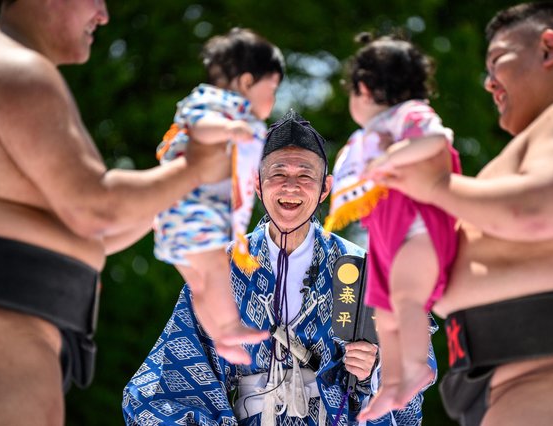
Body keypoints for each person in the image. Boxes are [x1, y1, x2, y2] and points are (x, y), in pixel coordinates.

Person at [0, 1, 231, 424]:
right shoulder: (16, 70)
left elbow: (87, 235)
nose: (103, 14)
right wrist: (197, 167)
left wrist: (169, 189)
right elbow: (95, 210)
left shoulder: (4, 67)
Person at [366, 3, 553, 426]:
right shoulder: (519, 157)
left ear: (548, 48)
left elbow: (536, 210)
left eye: (497, 60)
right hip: (512, 382)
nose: (488, 83)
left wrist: (437, 187)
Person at [123, 111, 423, 426]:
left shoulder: (364, 269)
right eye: (278, 173)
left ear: (325, 188)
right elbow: (172, 381)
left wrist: (376, 370)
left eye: (305, 175)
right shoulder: (221, 269)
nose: (291, 186)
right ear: (257, 183)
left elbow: (415, 370)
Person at [324, 33, 459, 421]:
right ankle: (393, 382)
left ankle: (414, 368)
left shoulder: (409, 116)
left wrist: (392, 157)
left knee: (406, 301)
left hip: (419, 232)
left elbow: (436, 139)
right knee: (384, 313)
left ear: (364, 89)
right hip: (391, 239)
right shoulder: (367, 137)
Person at [153, 27, 284, 364]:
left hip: (176, 213)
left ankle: (219, 337)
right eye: (272, 88)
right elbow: (199, 126)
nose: (273, 100)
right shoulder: (218, 105)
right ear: (245, 83)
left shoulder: (230, 111)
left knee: (200, 284)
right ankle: (227, 326)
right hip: (192, 207)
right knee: (215, 269)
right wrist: (231, 129)